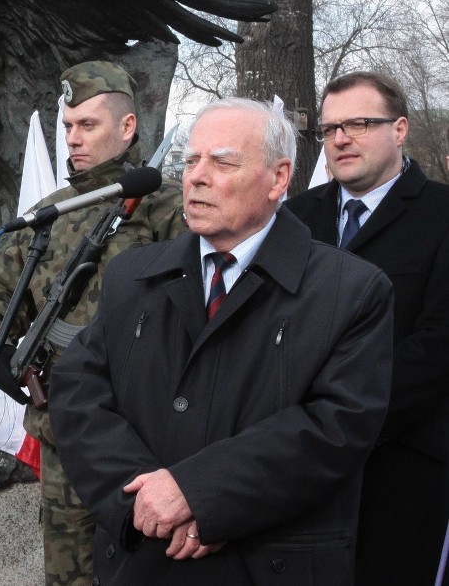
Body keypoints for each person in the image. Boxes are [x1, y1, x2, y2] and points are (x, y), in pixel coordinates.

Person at [49, 98, 394, 586]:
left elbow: (336, 427)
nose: (196, 176)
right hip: (140, 560)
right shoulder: (133, 273)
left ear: (278, 179)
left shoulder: (351, 290)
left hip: (266, 565)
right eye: (191, 161)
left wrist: (198, 493)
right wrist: (143, 502)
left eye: (223, 162)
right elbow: (79, 390)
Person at [0, 60, 186, 586]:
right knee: (68, 572)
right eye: (68, 126)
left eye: (87, 125)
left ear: (128, 127)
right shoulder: (48, 214)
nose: (73, 138)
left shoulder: (169, 209)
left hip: (143, 432)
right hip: (64, 430)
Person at [285, 71, 449, 586]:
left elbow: (439, 343)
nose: (340, 138)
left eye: (359, 123)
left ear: (399, 129)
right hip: (296, 462)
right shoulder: (292, 219)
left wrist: (345, 413)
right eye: (330, 128)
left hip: (403, 464)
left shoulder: (442, 214)